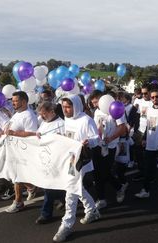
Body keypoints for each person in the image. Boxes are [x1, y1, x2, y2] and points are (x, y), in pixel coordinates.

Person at [53, 95, 101, 242]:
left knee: (70, 192)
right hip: (69, 160)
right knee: (77, 188)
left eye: (68, 106)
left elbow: (97, 139)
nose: (65, 110)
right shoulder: (66, 120)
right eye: (63, 107)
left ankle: (66, 225)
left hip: (81, 161)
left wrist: (89, 141)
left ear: (76, 106)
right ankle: (92, 210)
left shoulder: (86, 120)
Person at [4, 91, 38, 213]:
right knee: (16, 175)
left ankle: (18, 202)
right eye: (12, 101)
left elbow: (33, 134)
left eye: (15, 100)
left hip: (23, 151)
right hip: (13, 150)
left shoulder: (29, 115)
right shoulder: (16, 114)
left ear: (24, 101)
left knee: (17, 176)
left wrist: (14, 133)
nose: (13, 103)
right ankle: (31, 187)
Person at [93, 93, 128, 209]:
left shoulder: (115, 109)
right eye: (93, 102)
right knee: (97, 173)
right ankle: (101, 199)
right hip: (97, 145)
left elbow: (122, 128)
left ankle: (119, 188)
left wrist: (111, 138)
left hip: (110, 146)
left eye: (96, 101)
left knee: (105, 172)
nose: (95, 104)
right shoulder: (97, 112)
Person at [34, 101, 66, 224]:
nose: (42, 117)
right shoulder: (43, 123)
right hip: (45, 159)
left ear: (52, 112)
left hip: (57, 161)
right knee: (54, 186)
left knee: (49, 187)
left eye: (44, 114)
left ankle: (46, 214)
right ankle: (65, 200)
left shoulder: (62, 124)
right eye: (41, 114)